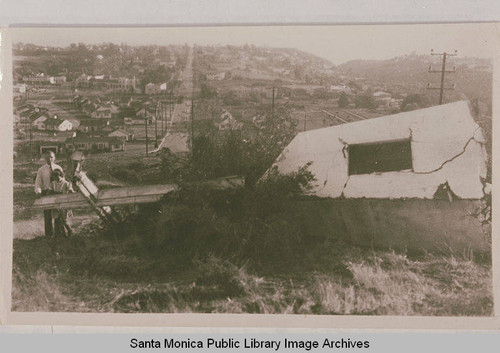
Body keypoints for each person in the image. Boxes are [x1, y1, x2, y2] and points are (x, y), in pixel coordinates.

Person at [34, 151, 63, 237]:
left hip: (57, 193)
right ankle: (49, 235)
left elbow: (63, 181)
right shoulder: (41, 170)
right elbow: (38, 183)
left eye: (51, 157)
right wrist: (38, 191)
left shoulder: (58, 168)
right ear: (44, 159)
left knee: (58, 214)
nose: (49, 159)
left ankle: (58, 233)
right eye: (47, 157)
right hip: (46, 193)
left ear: (55, 158)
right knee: (47, 215)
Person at [50, 169, 75, 237]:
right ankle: (60, 234)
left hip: (64, 203)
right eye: (54, 176)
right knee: (57, 218)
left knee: (64, 219)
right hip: (55, 203)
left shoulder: (66, 183)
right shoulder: (53, 183)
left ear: (61, 175)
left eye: (57, 176)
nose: (56, 178)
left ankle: (70, 230)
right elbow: (49, 192)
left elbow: (71, 190)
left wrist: (70, 191)